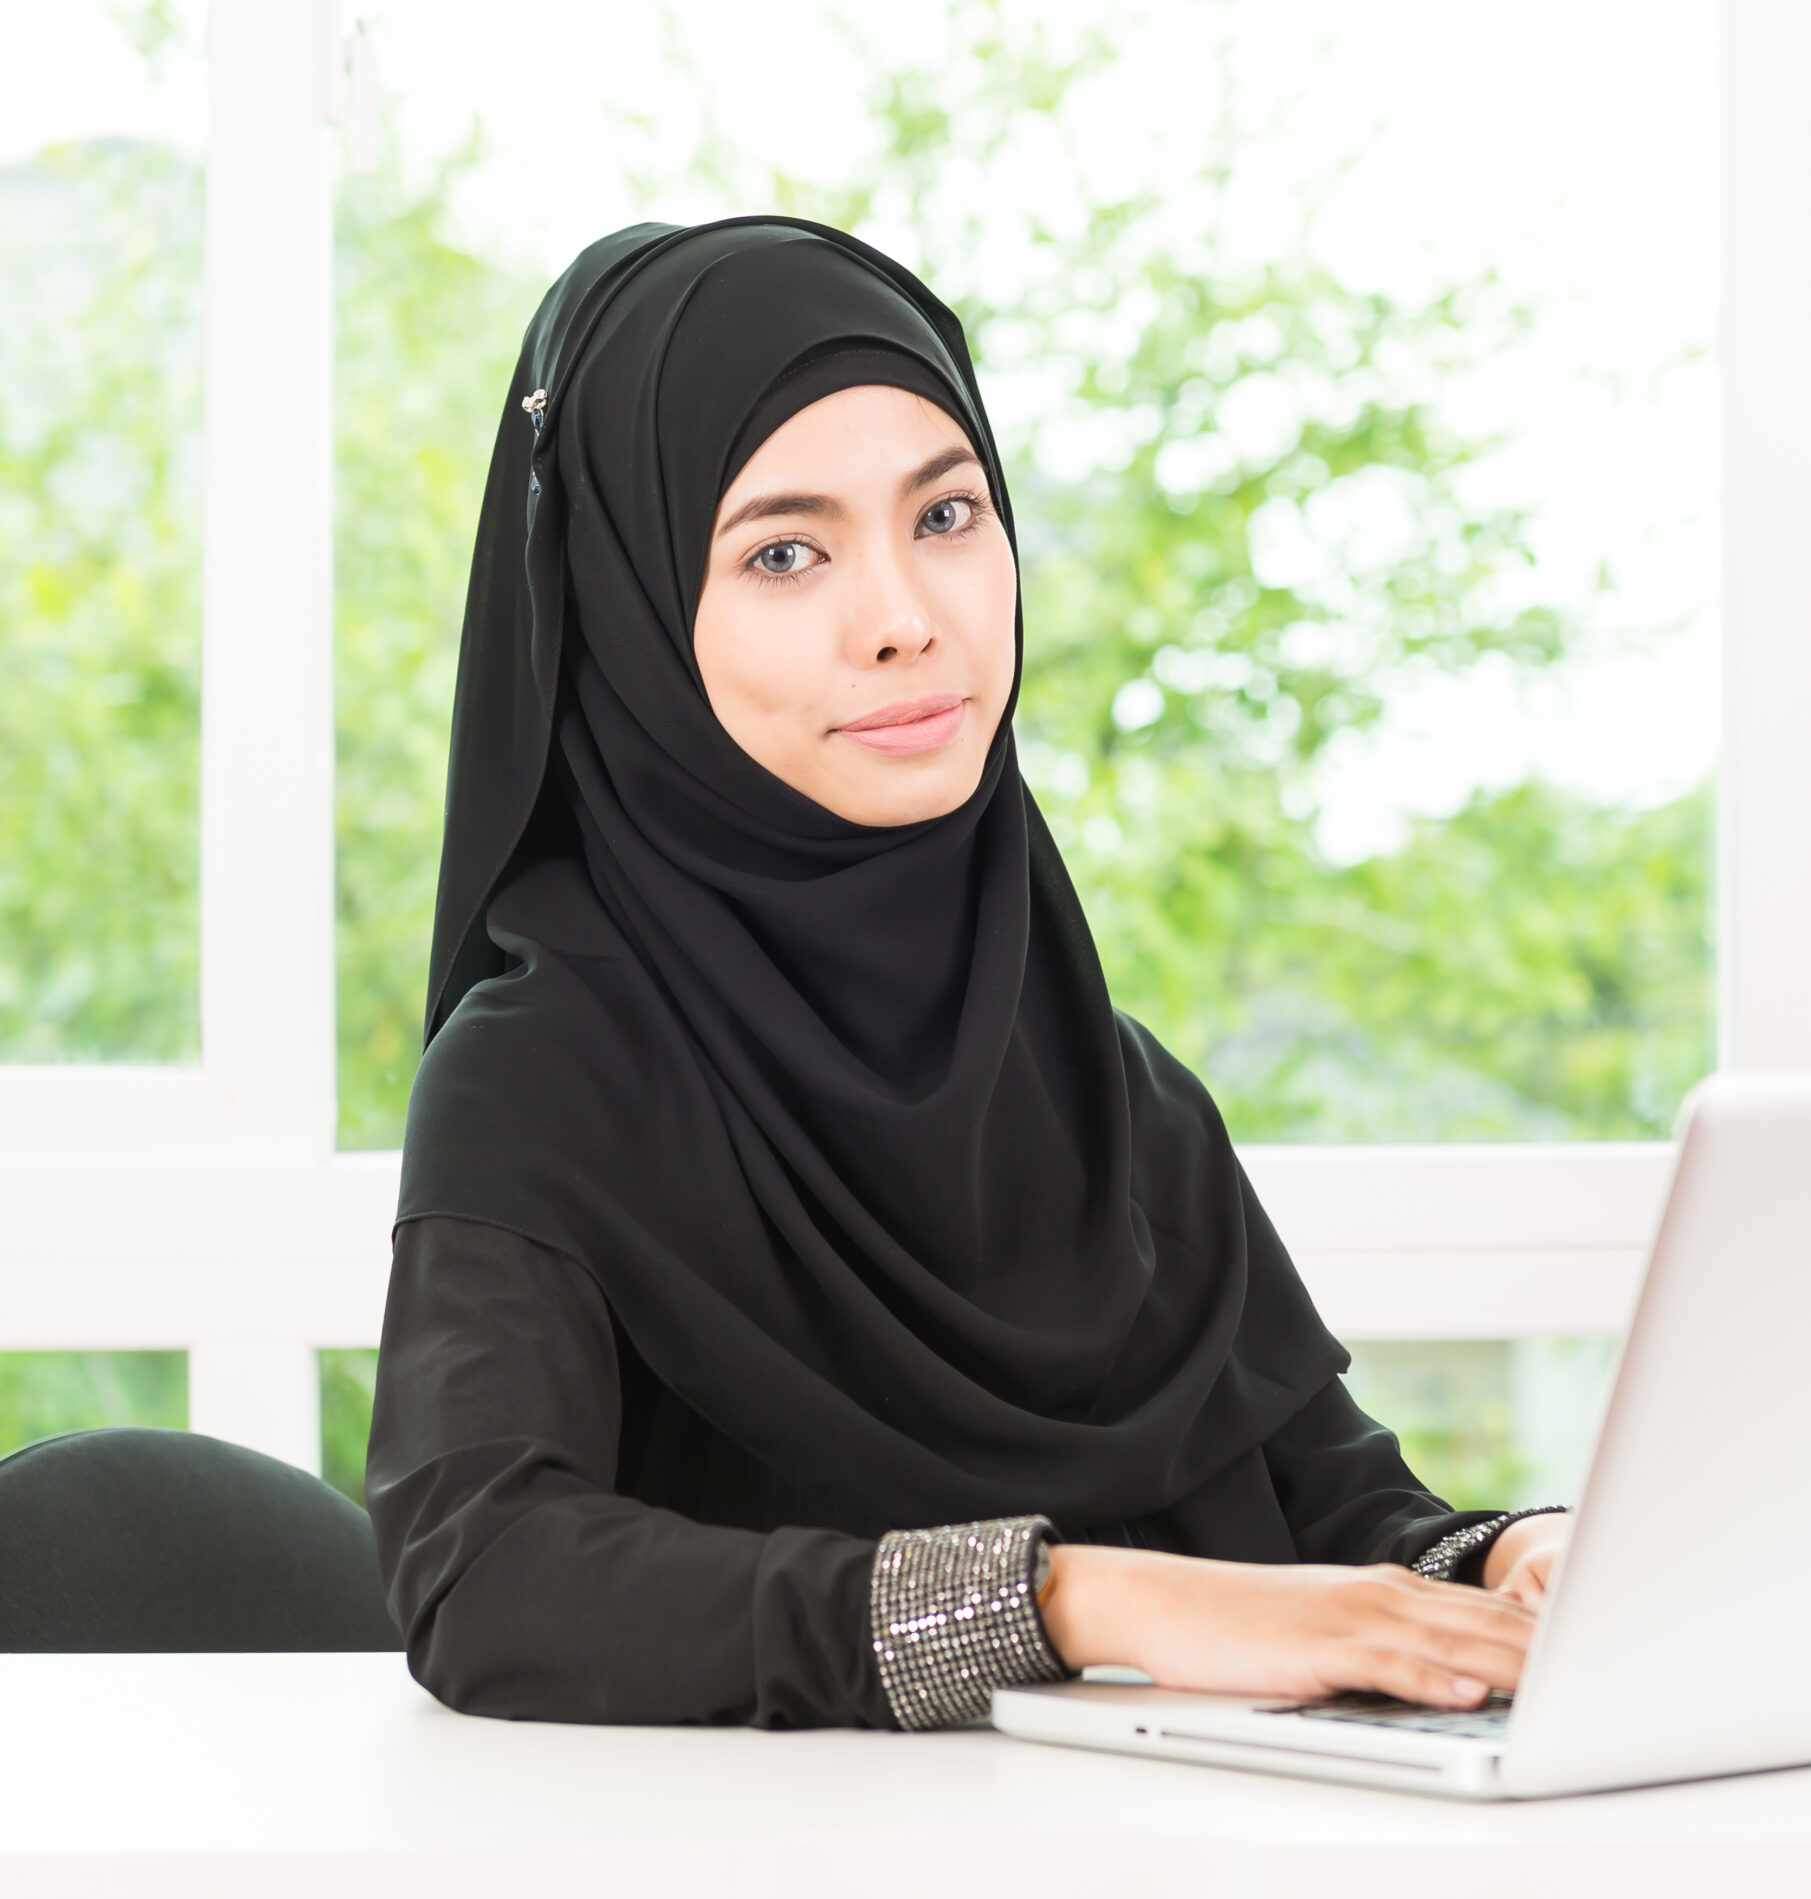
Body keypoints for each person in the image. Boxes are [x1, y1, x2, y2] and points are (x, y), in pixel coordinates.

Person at [370, 216, 1571, 1731]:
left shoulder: (1101, 1080)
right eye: (787, 552)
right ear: (629, 612)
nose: (905, 622)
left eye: (947, 519)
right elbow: (486, 1575)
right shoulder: (546, 1071)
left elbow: (1337, 1515)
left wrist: (1512, 1557)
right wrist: (1065, 1598)